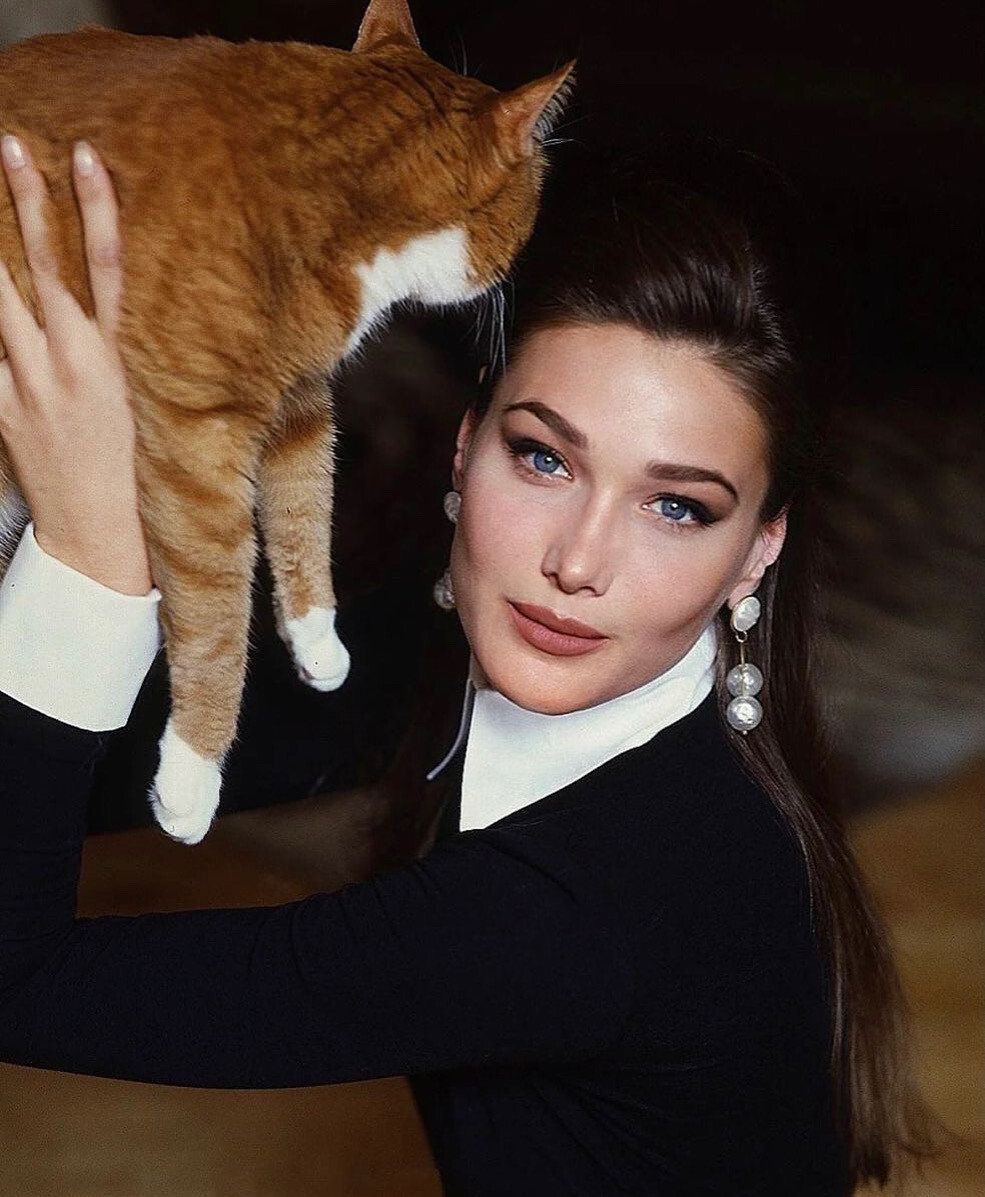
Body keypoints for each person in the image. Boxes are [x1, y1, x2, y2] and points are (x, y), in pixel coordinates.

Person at [0, 135, 936, 1195]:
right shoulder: (511, 670)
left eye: (675, 507)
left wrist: (89, 552)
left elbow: (15, 980)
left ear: (758, 549)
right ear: (465, 443)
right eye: (543, 457)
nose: (575, 563)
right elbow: (153, 750)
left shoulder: (582, 907)